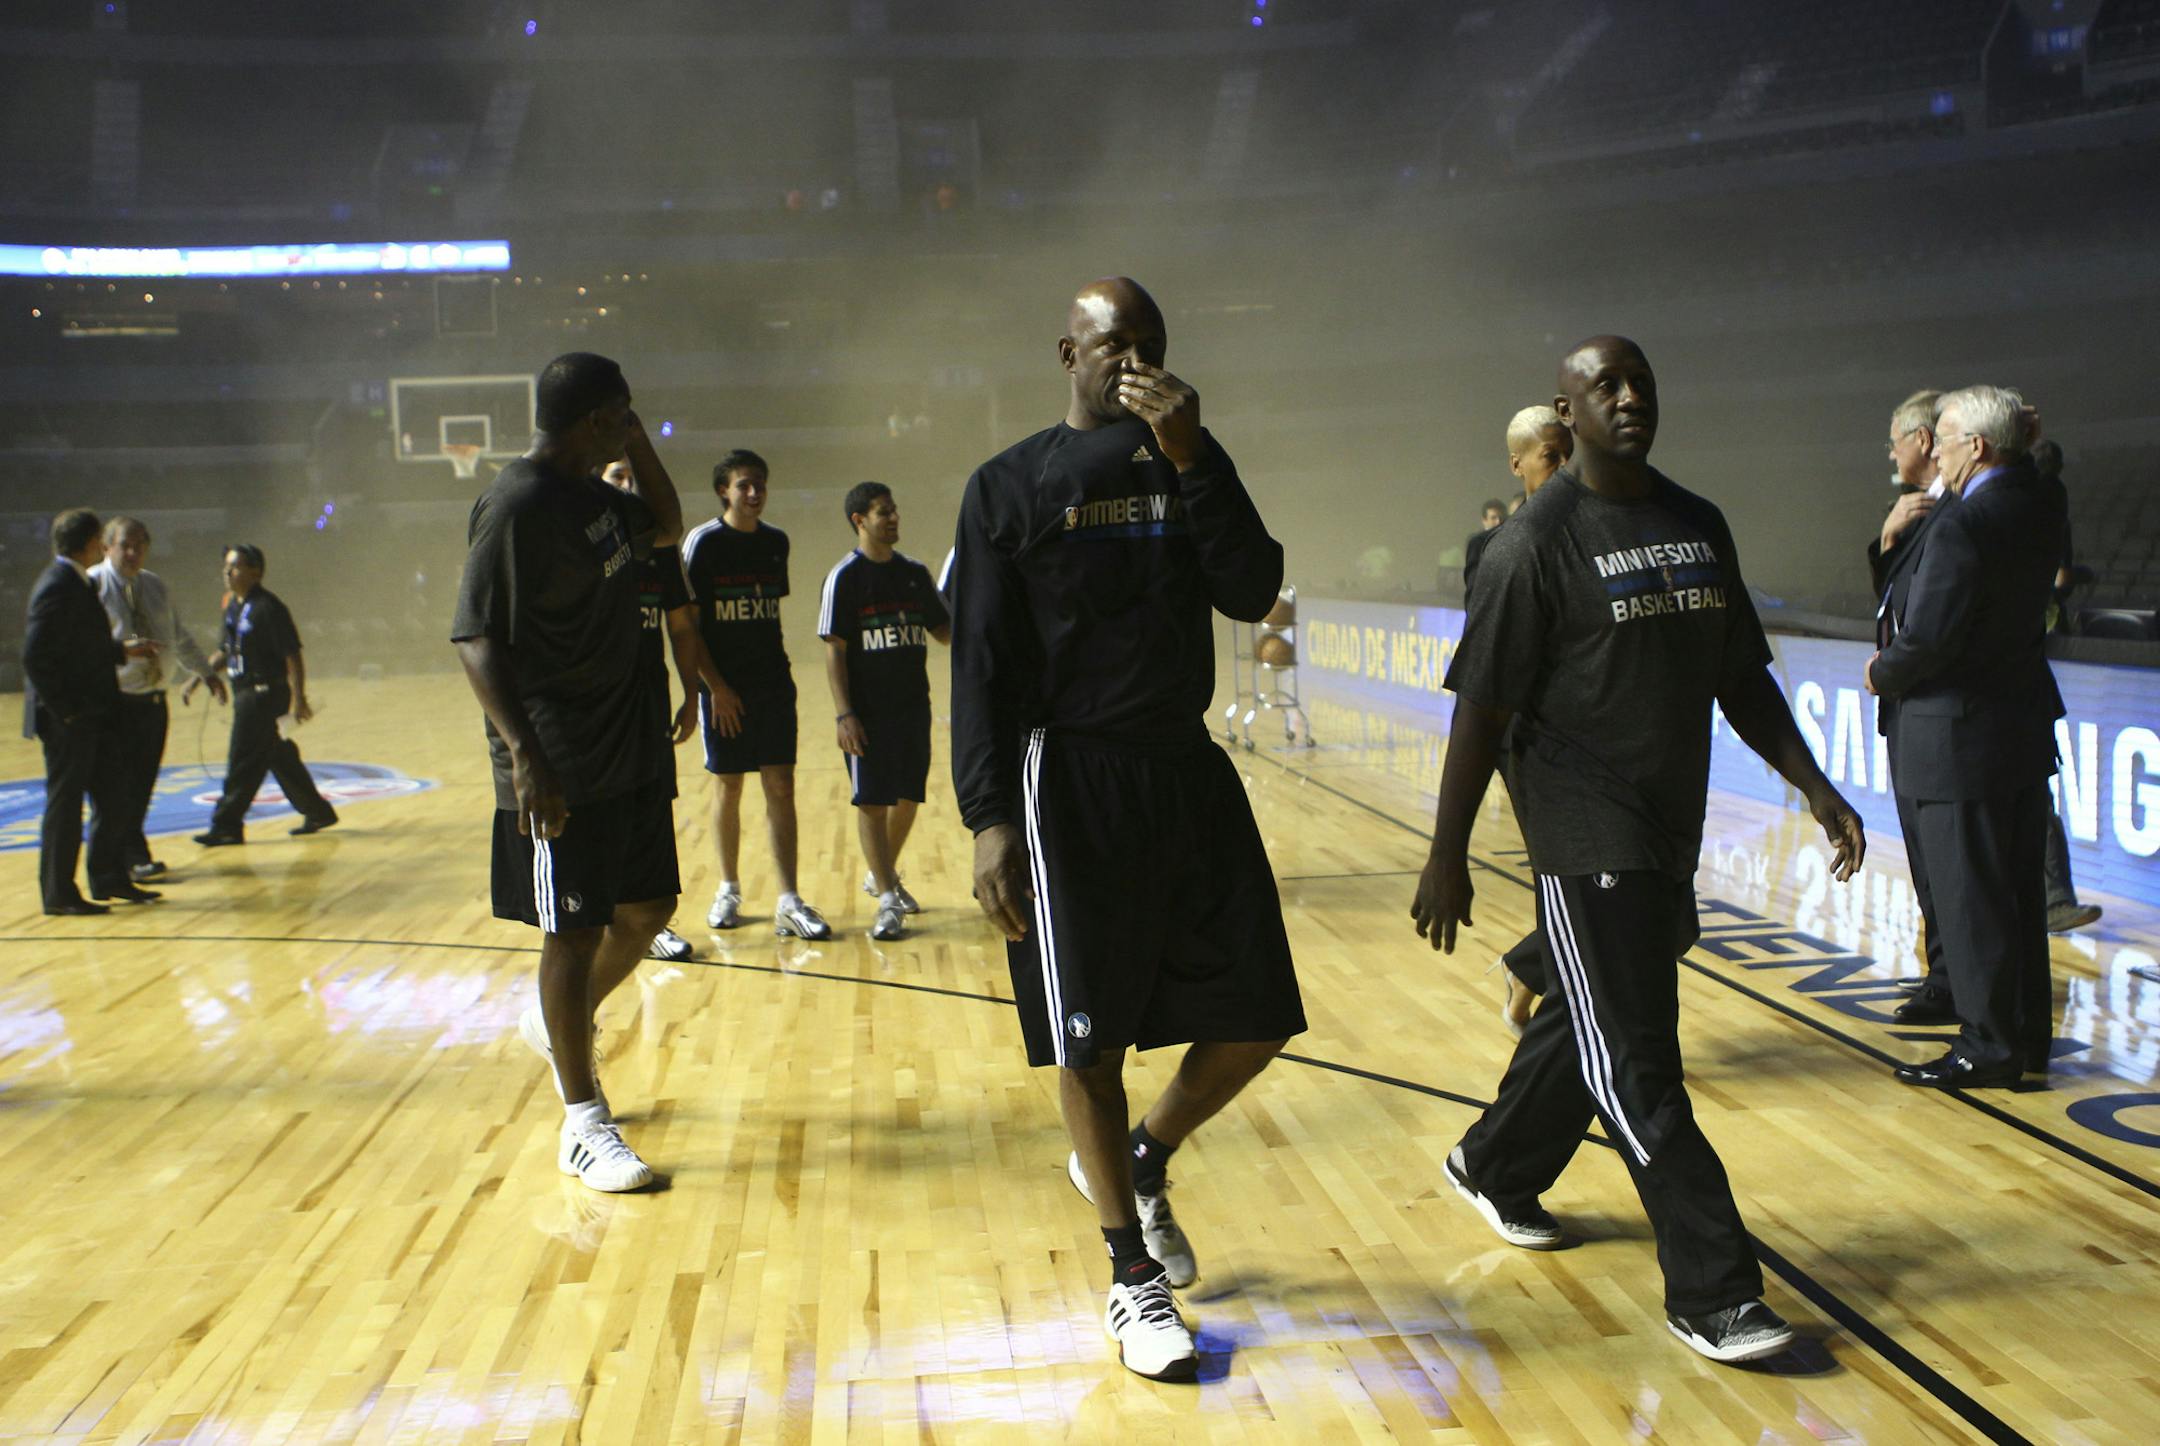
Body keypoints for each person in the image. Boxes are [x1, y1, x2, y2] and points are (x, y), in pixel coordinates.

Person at [1411, 336, 1866, 1365]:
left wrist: (1817, 786)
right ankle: (1713, 1290)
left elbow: (1739, 679)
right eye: (1604, 387)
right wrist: (1448, 853)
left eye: (1641, 385)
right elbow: (1480, 711)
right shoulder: (1537, 542)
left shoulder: (1697, 523)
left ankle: (1495, 1162)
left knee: (1596, 1016)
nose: (1627, 400)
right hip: (1582, 827)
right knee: (1638, 1060)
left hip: (1670, 825)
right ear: (1566, 412)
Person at [951, 277, 1306, 1382]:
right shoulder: (1009, 484)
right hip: (1071, 777)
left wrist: (1196, 455)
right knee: (1087, 1040)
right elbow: (982, 667)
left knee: (1258, 1015)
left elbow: (1253, 590)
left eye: (1153, 344)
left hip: (1186, 769)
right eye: (1116, 344)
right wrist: (988, 819)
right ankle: (1129, 1278)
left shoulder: (1188, 457)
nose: (1136, 360)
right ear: (1070, 350)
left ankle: (1144, 1156)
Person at [453, 352, 687, 1193]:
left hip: (626, 746)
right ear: (594, 421)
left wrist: (636, 430)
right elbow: (475, 636)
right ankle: (584, 1124)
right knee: (574, 930)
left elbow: (666, 520)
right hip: (561, 759)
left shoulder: (599, 499)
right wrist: (524, 758)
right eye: (621, 415)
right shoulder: (515, 505)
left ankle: (560, 1022)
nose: (632, 426)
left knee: (650, 907)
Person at [1868, 385, 2065, 1089]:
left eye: (1946, 440)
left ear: (1976, 446)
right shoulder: (2040, 503)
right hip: (2017, 731)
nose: (1938, 453)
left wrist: (1881, 671)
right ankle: (2026, 1040)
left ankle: (1987, 1046)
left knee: (1973, 902)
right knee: (2016, 898)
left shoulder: (1963, 524)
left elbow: (1929, 641)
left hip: (1955, 740)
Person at [678, 450, 830, 940]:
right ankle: (728, 888)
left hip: (773, 684)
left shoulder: (775, 543)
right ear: (724, 490)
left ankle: (789, 898)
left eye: (759, 484)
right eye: (744, 485)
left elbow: (765, 617)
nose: (754, 493)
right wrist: (715, 688)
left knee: (781, 785)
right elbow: (686, 627)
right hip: (724, 688)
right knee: (729, 786)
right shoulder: (702, 544)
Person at [600, 457, 728, 964]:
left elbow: (680, 626)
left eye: (633, 476)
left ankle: (650, 924)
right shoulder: (586, 549)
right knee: (607, 819)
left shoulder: (661, 549)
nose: (629, 485)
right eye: (617, 476)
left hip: (647, 709)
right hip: (599, 715)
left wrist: (692, 694)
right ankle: (610, 920)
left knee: (651, 816)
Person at [816, 481, 950, 941]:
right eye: (881, 512)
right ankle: (889, 898)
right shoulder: (845, 578)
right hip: (867, 713)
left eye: (894, 510)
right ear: (859, 521)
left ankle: (882, 876)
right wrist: (844, 713)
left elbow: (945, 631)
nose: (892, 518)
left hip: (914, 707)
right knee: (872, 801)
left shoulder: (914, 573)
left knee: (909, 795)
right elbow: (834, 649)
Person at [1481, 405, 1575, 1034]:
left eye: (1569, 451)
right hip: (1536, 747)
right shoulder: (1501, 550)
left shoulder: (1593, 530)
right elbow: (1485, 683)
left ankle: (1527, 969)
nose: (1564, 465)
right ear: (1518, 465)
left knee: (1661, 913)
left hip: (1594, 746)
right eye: (1550, 455)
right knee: (1579, 897)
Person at [22, 508, 158, 914]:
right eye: (100, 539)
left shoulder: (73, 581)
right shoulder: (57, 584)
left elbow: (77, 646)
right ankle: (58, 894)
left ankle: (108, 877)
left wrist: (120, 651)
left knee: (115, 797)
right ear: (88, 544)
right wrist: (64, 712)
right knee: (65, 808)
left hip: (93, 714)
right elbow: (35, 656)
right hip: (71, 720)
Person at [89, 516, 227, 885]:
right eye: (125, 545)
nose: (133, 553)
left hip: (153, 702)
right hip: (115, 702)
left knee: (142, 785)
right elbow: (82, 646)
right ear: (107, 548)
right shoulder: (92, 585)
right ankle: (127, 860)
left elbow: (178, 637)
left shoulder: (154, 586)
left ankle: (130, 857)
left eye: (140, 545)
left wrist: (206, 673)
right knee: (117, 789)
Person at [190, 545, 337, 846]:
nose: (227, 573)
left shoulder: (269, 608)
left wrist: (299, 698)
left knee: (242, 760)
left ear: (255, 571)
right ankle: (318, 811)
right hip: (243, 691)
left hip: (264, 696)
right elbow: (225, 650)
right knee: (278, 756)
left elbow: (292, 655)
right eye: (226, 567)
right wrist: (200, 675)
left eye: (235, 567)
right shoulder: (232, 605)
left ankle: (226, 825)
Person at [2030, 438, 2102, 935]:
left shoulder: (2039, 510)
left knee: (2035, 798)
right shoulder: (2030, 513)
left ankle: (2053, 902)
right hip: (2005, 688)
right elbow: (2058, 581)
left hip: (2020, 687)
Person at [1459, 497, 1508, 596]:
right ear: (1484, 520)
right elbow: (1472, 577)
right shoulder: (1476, 543)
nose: (1498, 522)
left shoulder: (1509, 541)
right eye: (1493, 518)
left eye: (1501, 517)